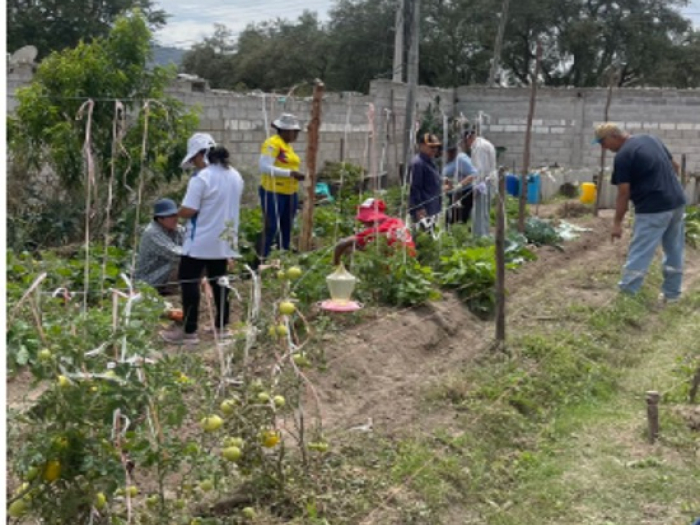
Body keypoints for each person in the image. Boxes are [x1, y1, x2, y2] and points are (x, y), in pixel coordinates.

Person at [161, 134, 244, 345]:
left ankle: (189, 331)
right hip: (224, 238)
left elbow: (190, 210)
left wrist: (177, 213)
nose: (193, 164)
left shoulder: (202, 178)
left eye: (194, 159)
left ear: (201, 154)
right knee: (220, 281)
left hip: (199, 240)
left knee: (188, 280)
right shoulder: (235, 175)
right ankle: (222, 327)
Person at [594, 122, 686, 302]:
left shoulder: (624, 156)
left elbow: (623, 193)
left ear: (614, 136)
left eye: (602, 142)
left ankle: (627, 296)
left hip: (653, 208)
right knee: (674, 249)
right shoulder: (650, 139)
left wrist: (617, 224)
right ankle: (672, 294)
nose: (603, 147)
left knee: (641, 250)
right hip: (676, 202)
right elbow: (674, 167)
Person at [258, 113, 306, 259]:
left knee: (287, 227)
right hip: (273, 192)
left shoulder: (287, 146)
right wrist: (290, 173)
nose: (296, 134)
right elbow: (264, 167)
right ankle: (261, 259)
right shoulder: (273, 144)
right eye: (294, 131)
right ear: (284, 130)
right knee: (271, 226)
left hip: (290, 192)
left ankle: (282, 258)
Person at [333, 199, 415, 265]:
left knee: (349, 248)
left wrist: (335, 264)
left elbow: (342, 243)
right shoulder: (397, 222)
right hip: (408, 265)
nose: (364, 223)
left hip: (391, 267)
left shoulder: (377, 230)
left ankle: (345, 277)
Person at [134, 198, 184, 295]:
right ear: (160, 219)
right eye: (171, 216)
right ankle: (171, 294)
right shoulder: (152, 233)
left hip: (164, 277)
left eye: (176, 215)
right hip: (150, 282)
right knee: (185, 261)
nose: (176, 218)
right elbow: (176, 254)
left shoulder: (177, 229)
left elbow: (192, 241)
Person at [463, 129, 497, 238]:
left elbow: (480, 170)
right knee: (483, 211)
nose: (466, 145)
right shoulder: (484, 144)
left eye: (465, 142)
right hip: (487, 181)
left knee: (479, 212)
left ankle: (480, 237)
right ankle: (484, 235)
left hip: (483, 183)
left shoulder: (479, 147)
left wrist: (476, 188)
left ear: (469, 138)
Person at [409, 133, 443, 223]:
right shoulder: (418, 163)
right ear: (421, 146)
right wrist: (419, 208)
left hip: (433, 207)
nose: (435, 149)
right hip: (424, 210)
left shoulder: (431, 162)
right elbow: (415, 188)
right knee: (423, 235)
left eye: (436, 147)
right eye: (431, 147)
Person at [443, 142, 477, 224]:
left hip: (463, 194)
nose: (449, 153)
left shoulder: (461, 159)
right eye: (448, 151)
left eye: (452, 151)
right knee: (450, 219)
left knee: (458, 220)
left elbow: (474, 174)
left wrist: (460, 185)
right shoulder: (449, 160)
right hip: (453, 194)